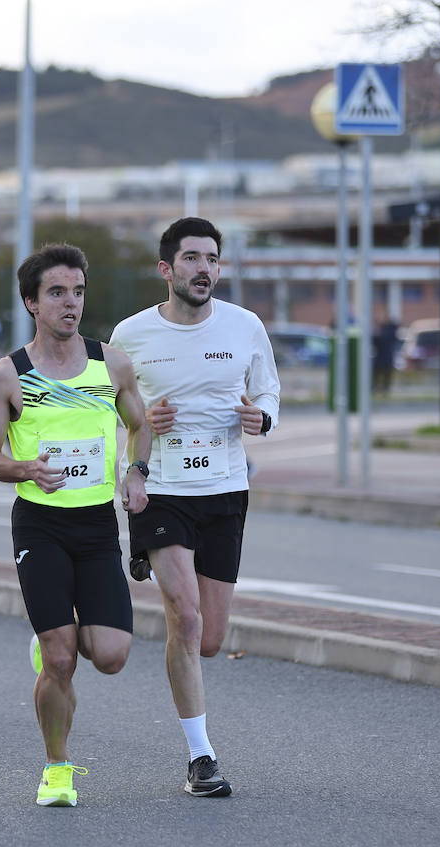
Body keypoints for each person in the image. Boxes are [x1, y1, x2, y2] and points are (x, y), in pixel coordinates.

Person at [109, 216, 281, 798]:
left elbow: (269, 389)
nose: (204, 268)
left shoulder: (245, 326)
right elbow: (109, 412)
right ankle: (201, 757)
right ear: (167, 269)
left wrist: (264, 416)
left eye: (212, 258)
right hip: (161, 487)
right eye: (192, 258)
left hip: (226, 489)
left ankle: (99, 628)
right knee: (184, 617)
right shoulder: (130, 336)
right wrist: (134, 446)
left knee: (208, 637)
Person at [0, 243, 150, 808]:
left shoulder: (112, 364)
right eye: (56, 293)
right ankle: (58, 768)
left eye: (77, 291)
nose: (69, 303)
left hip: (98, 527)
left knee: (112, 656)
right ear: (31, 302)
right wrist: (24, 467)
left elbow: (140, 425)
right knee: (60, 657)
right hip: (40, 526)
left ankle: (56, 642)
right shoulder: (8, 376)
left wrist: (137, 474)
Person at [372, 307, 400, 395]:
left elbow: (390, 339)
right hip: (378, 357)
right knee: (376, 375)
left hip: (387, 356)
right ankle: (376, 389)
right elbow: (374, 342)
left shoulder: (390, 328)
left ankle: (385, 390)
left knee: (386, 376)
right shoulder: (377, 328)